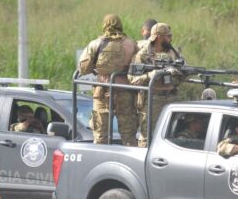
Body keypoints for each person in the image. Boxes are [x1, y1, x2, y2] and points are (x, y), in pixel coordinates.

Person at [78, 14, 137, 146]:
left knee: (100, 135)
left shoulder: (96, 44)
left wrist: (96, 68)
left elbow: (82, 68)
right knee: (128, 135)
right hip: (125, 92)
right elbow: (138, 67)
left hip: (102, 92)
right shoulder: (131, 43)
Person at [128, 22, 185, 147]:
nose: (170, 39)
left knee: (171, 135)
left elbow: (182, 73)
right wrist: (151, 75)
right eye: (168, 36)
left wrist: (178, 73)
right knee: (147, 135)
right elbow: (132, 79)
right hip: (153, 99)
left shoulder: (172, 52)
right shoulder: (143, 55)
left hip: (171, 97)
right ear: (159, 37)